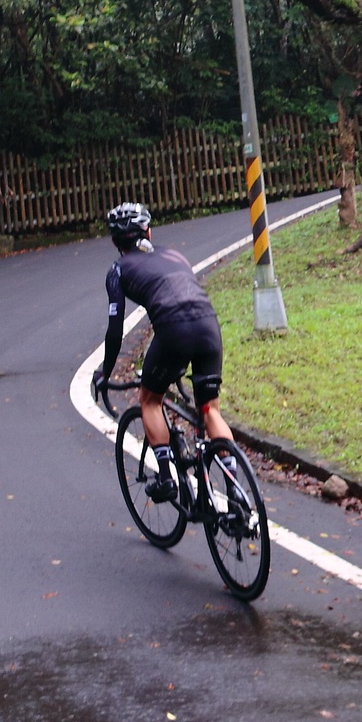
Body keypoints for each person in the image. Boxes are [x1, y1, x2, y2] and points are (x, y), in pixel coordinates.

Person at [90, 202, 232, 504]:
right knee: (210, 410)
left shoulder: (117, 270)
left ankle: (166, 478)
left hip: (173, 330)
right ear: (148, 232)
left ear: (115, 242)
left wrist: (105, 372)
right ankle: (235, 490)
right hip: (208, 326)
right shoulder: (175, 255)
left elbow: (115, 330)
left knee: (150, 400)